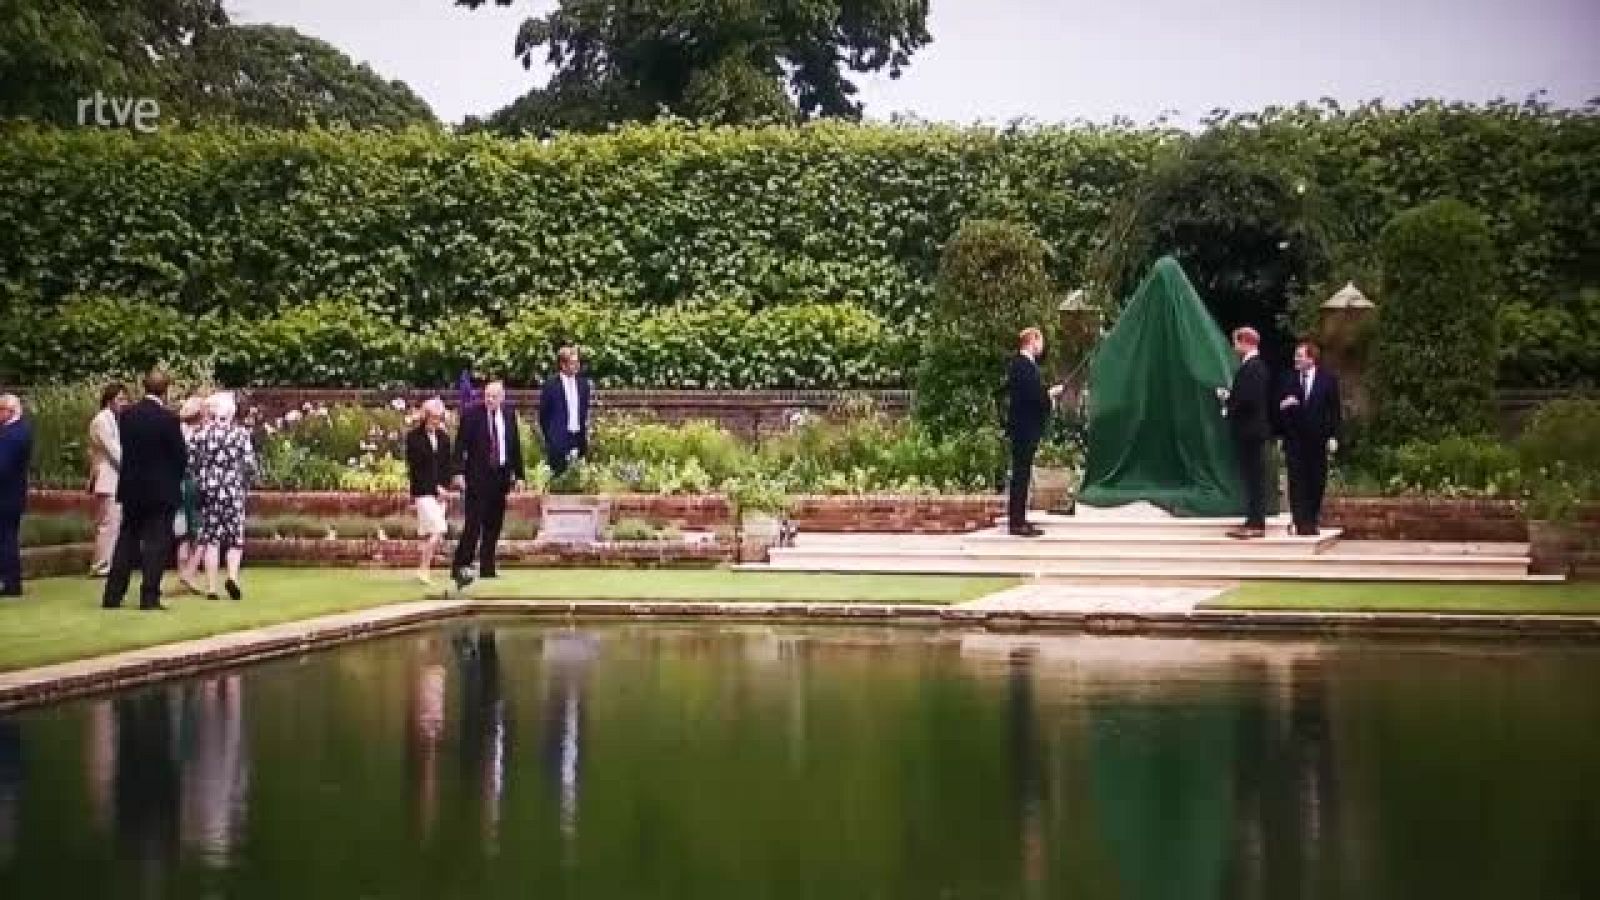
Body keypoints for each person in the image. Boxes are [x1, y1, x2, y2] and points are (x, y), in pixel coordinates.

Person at [103, 370, 187, 611]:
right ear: (165, 390)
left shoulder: (127, 416)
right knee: (156, 544)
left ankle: (113, 596)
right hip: (160, 492)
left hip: (132, 490)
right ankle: (149, 597)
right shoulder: (168, 419)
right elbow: (180, 457)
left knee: (126, 541)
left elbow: (127, 448)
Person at [451, 380, 525, 586]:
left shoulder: (509, 416)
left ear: (502, 397)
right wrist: (458, 472)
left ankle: (487, 567)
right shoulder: (472, 415)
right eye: (487, 396)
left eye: (494, 396)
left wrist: (519, 476)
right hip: (477, 477)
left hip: (499, 476)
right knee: (473, 523)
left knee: (494, 523)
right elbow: (460, 446)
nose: (490, 400)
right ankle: (461, 565)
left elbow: (514, 448)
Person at [189, 392, 255, 601]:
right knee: (235, 539)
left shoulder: (202, 434)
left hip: (210, 489)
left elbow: (190, 461)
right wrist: (243, 481)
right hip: (233, 490)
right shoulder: (240, 435)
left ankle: (211, 587)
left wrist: (202, 476)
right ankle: (233, 577)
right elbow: (249, 465)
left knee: (211, 539)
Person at [1277, 341, 1342, 536]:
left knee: (1316, 481)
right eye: (1296, 355)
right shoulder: (1287, 379)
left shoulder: (1327, 380)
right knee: (1297, 481)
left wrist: (1333, 436)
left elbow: (1334, 411)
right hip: (1294, 440)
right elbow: (1276, 407)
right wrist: (1284, 405)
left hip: (1317, 441)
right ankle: (1300, 521)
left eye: (1300, 356)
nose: (1295, 359)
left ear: (1311, 359)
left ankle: (1311, 519)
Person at [1005, 328, 1065, 537]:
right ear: (1032, 341)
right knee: (1021, 475)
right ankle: (1017, 523)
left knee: (1022, 474)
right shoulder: (1023, 366)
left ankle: (1019, 519)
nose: (1043, 346)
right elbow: (1033, 398)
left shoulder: (1023, 366)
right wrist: (1050, 397)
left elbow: (1032, 394)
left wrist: (1046, 394)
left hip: (1023, 428)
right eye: (1041, 341)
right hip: (1024, 429)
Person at [1220, 327, 1272, 539]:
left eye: (1236, 342)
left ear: (1245, 342)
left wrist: (1229, 405)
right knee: (1251, 477)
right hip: (1249, 431)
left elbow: (1249, 400)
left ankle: (1256, 523)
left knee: (1254, 478)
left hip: (1250, 431)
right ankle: (1252, 520)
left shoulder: (1254, 367)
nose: (1234, 347)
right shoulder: (1251, 367)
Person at [406, 397, 455, 585]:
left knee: (432, 533)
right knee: (438, 529)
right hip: (423, 491)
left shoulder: (443, 438)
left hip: (440, 492)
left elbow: (446, 466)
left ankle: (424, 568)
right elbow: (417, 469)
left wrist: (445, 487)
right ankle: (423, 570)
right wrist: (435, 488)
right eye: (433, 417)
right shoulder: (413, 438)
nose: (436, 421)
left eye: (438, 418)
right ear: (425, 417)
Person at [87, 383, 129, 577]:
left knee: (114, 522)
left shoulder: (115, 419)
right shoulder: (101, 421)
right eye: (120, 399)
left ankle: (108, 563)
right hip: (107, 477)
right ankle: (101, 565)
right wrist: (133, 466)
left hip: (116, 477)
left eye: (125, 399)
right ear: (110, 400)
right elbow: (113, 450)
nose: (124, 403)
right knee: (108, 523)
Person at [538, 346, 593, 475]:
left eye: (577, 362)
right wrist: (551, 437)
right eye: (573, 363)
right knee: (558, 478)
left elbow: (584, 410)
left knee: (577, 477)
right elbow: (543, 415)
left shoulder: (583, 384)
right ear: (563, 365)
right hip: (558, 440)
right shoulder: (551, 385)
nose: (577, 366)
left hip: (578, 437)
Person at [174, 396, 209, 593]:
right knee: (196, 529)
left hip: (177, 483)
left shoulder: (178, 431)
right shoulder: (199, 436)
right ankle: (188, 574)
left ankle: (183, 572)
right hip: (193, 484)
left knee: (182, 533)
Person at [0, 394, 34, 598]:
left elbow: (3, 467)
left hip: (6, 496)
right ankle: (9, 581)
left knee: (6, 539)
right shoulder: (16, 431)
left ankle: (11, 582)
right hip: (11, 494)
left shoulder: (14, 434)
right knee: (6, 538)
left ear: (9, 411)